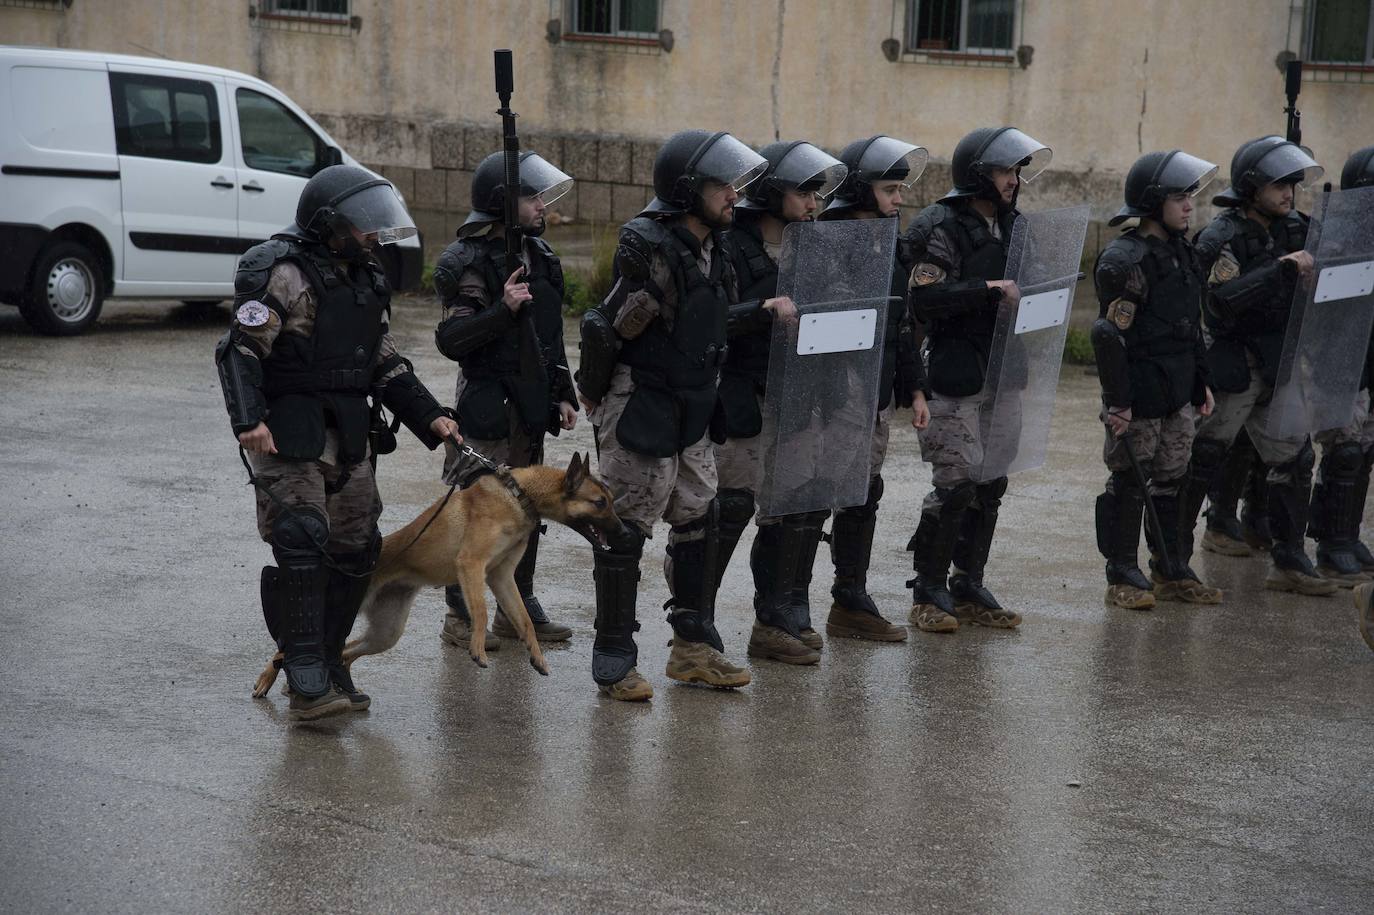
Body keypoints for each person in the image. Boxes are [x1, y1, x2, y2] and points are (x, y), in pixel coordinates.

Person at [215, 165, 459, 720]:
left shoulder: (366, 278)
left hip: (350, 433)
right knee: (302, 537)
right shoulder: (280, 272)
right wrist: (248, 418)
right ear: (329, 222)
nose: (373, 235)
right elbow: (241, 350)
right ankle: (305, 678)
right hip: (288, 430)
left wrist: (431, 418)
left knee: (357, 549)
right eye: (363, 225)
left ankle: (329, 660)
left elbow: (384, 361)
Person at [576, 130, 788, 701]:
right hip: (642, 400)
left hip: (695, 401)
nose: (733, 197)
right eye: (723, 186)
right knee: (622, 530)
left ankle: (692, 649)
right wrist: (593, 394)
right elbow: (606, 326)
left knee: (701, 520)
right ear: (688, 188)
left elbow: (713, 322)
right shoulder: (653, 248)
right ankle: (615, 657)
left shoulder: (714, 247)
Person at [904, 126, 1050, 632]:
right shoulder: (940, 225)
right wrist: (985, 290)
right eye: (1006, 170)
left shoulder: (1015, 226)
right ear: (977, 174)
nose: (1014, 181)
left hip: (1004, 368)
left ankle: (968, 583)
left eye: (1016, 171)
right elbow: (923, 298)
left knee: (991, 482)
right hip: (954, 370)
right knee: (956, 483)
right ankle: (927, 590)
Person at [431, 150, 578, 649]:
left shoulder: (543, 257)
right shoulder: (466, 260)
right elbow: (452, 339)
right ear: (501, 201)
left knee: (526, 506)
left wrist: (563, 392)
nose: (543, 206)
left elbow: (550, 336)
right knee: (474, 509)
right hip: (487, 402)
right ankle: (458, 614)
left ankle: (520, 605)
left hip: (530, 405)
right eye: (531, 197)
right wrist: (501, 310)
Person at [715, 140, 849, 665]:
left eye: (818, 194)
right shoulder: (731, 245)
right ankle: (695, 622)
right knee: (729, 509)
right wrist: (761, 311)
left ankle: (773, 619)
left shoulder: (812, 246)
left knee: (788, 510)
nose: (814, 204)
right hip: (742, 395)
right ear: (773, 193)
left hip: (796, 395)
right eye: (803, 192)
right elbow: (712, 315)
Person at [1184, 136, 1332, 595]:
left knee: (1296, 458)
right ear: (1252, 187)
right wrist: (1280, 271)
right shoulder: (1222, 236)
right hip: (1235, 364)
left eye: (1293, 183)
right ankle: (1173, 560)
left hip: (1278, 363)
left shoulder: (1297, 228)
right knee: (1203, 456)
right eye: (1278, 184)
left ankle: (1288, 559)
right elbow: (1218, 304)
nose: (1289, 192)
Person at [812, 135, 932, 643]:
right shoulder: (824, 241)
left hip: (876, 392)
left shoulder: (890, 244)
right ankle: (786, 607)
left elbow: (901, 325)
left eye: (900, 190)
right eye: (889, 190)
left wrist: (915, 390)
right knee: (816, 495)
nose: (898, 200)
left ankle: (850, 596)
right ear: (861, 191)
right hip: (834, 394)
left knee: (865, 491)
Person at [1090, 150, 1222, 609]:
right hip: (1139, 393)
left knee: (1174, 477)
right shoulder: (1124, 259)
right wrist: (1118, 403)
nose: (1190, 206)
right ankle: (1122, 573)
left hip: (1177, 389)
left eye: (1191, 197)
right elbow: (1109, 335)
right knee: (1130, 480)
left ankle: (1171, 568)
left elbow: (1193, 324)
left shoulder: (1182, 251)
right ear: (1152, 202)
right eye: (1179, 198)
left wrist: (1201, 382)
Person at [1308, 145, 1374, 586]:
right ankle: (1331, 544)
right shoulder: (1336, 236)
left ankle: (1348, 536)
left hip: (1369, 363)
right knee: (1344, 451)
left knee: (1364, 450)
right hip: (1341, 363)